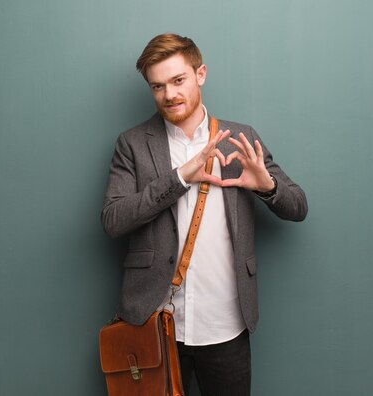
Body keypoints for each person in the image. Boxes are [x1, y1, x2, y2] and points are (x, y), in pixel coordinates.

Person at [100, 33, 308, 395]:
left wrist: (266, 186)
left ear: (201, 74)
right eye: (158, 86)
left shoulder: (239, 137)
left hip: (226, 325)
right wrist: (180, 177)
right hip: (154, 322)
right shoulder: (132, 144)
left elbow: (298, 207)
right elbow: (114, 219)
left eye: (178, 80)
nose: (169, 95)